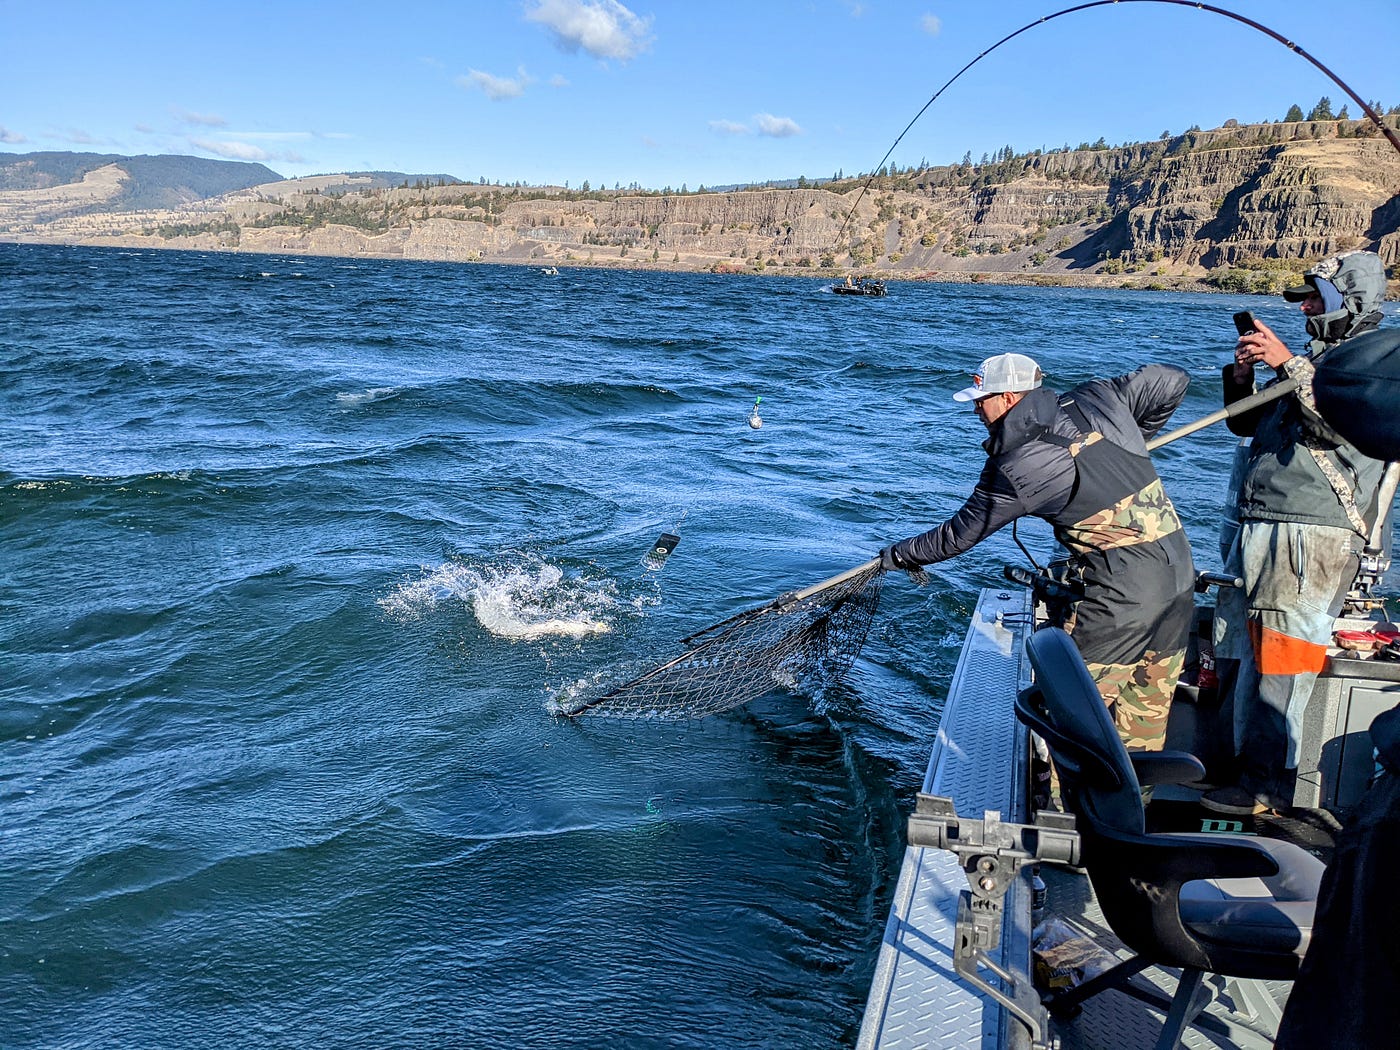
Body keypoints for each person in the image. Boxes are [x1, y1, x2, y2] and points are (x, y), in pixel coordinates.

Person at [878, 352, 1196, 751]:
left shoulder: (1016, 465)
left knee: (1072, 726)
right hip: (1180, 581)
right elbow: (1174, 378)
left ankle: (1067, 809)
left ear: (1010, 398)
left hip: (1121, 600)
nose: (977, 408)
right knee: (1141, 727)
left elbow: (959, 535)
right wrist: (1137, 436)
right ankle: (1134, 808)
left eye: (983, 398)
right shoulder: (1099, 396)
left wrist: (901, 554)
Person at [1204, 250, 1390, 815]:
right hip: (1261, 525)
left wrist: (1288, 364)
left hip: (1312, 535)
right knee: (1238, 650)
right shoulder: (1317, 360)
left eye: (1315, 296)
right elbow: (1247, 422)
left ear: (1348, 301)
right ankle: (1234, 774)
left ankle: (1267, 787)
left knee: (1284, 659)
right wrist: (1241, 381)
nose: (1304, 306)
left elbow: (1343, 425)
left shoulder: (1374, 361)